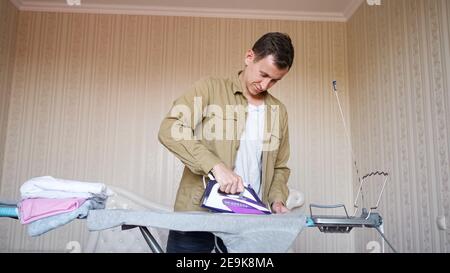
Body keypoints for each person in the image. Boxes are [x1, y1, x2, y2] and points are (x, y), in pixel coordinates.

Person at [158, 32, 294, 253]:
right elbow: (170, 128)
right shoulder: (210, 88)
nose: (265, 85)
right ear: (249, 57)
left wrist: (277, 200)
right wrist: (215, 166)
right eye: (263, 74)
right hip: (196, 219)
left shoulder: (279, 111)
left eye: (275, 80)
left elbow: (280, 167)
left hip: (249, 223)